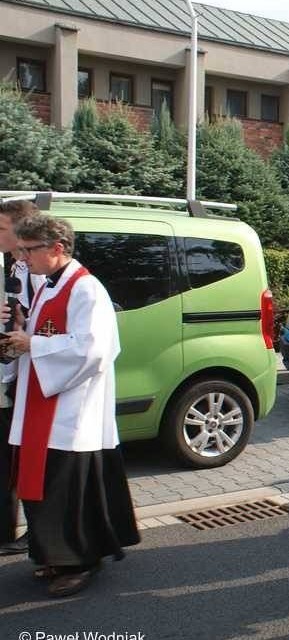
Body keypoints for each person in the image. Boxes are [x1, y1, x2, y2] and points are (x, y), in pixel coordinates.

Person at [5, 214, 139, 598]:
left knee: (66, 492)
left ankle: (80, 561)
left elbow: (95, 350)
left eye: (29, 250)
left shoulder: (86, 289)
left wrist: (36, 345)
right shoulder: (49, 286)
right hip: (42, 403)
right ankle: (52, 555)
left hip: (71, 413)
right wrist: (21, 339)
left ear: (57, 248)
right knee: (41, 490)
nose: (23, 256)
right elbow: (46, 335)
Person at [0, 200, 45, 557]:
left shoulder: (39, 271)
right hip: (13, 374)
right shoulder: (11, 265)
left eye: (1, 228)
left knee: (25, 458)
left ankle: (35, 532)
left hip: (30, 379)